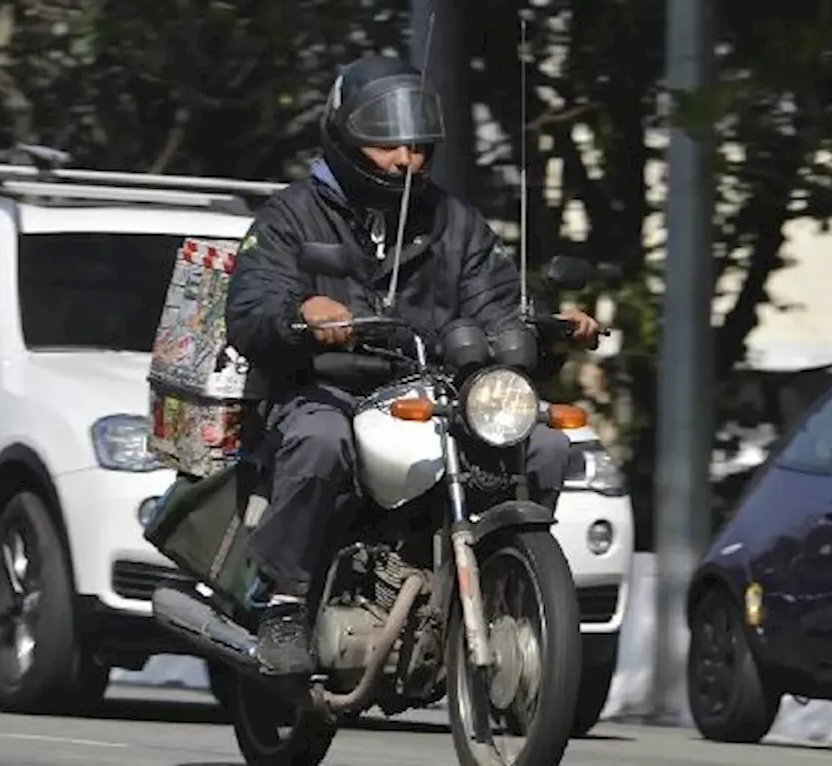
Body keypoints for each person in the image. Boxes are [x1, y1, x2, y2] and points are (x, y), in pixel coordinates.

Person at [224, 55, 600, 676]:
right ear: (345, 136)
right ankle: (286, 604)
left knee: (543, 448)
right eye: (386, 143)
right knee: (319, 444)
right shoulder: (291, 216)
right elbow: (251, 308)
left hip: (439, 394)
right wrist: (302, 309)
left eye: (417, 146)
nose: (406, 159)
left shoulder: (456, 224)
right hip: (326, 389)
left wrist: (552, 332)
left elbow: (497, 307)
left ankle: (503, 582)